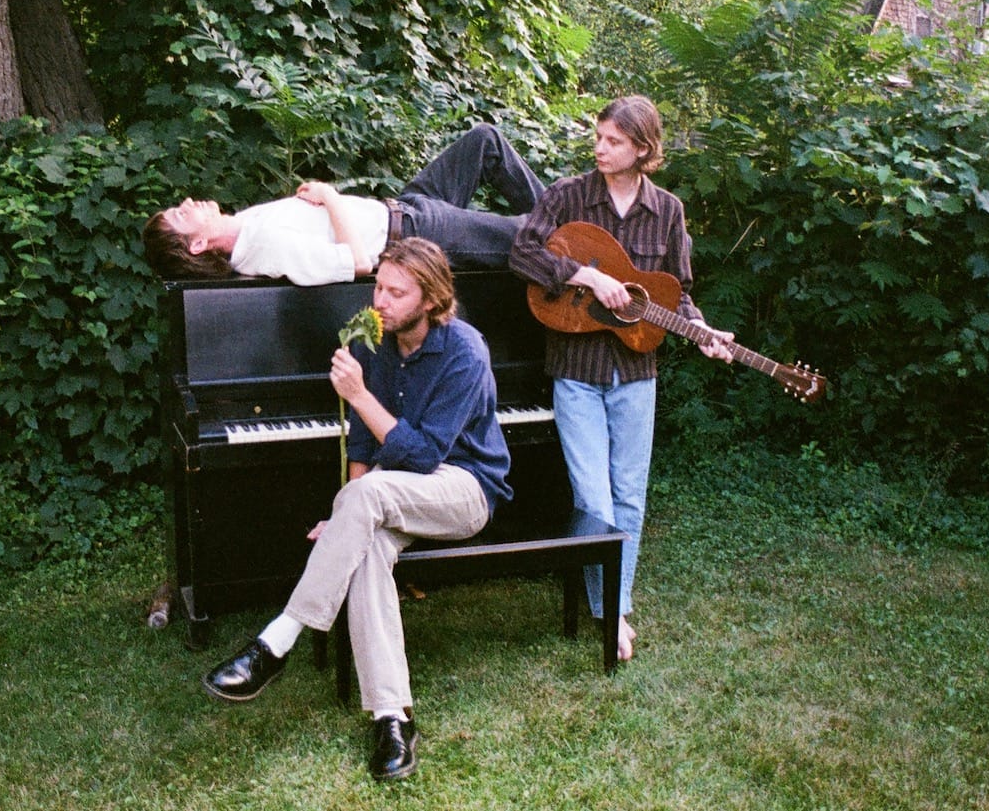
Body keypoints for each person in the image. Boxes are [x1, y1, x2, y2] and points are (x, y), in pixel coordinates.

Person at [201, 238, 512, 782]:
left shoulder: (465, 350)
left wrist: (360, 398)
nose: (381, 302)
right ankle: (392, 718)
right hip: (391, 494)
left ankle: (277, 641)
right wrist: (350, 515)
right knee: (364, 549)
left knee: (365, 501)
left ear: (432, 299)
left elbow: (422, 456)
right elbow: (365, 449)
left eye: (397, 293)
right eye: (378, 288)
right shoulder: (375, 341)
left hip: (463, 490)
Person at [508, 96, 734, 662]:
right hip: (577, 370)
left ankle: (616, 605)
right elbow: (522, 252)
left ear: (642, 149)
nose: (599, 147)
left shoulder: (669, 211)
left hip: (636, 370)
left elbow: (676, 290)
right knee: (593, 497)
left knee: (629, 497)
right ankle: (609, 611)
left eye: (612, 140)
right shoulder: (567, 195)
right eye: (599, 136)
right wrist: (583, 273)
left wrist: (702, 331)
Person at [142, 123, 545, 285]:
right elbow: (357, 263)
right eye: (181, 214)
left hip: (408, 205)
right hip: (414, 234)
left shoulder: (243, 227)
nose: (189, 202)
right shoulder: (263, 247)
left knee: (484, 141)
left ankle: (570, 219)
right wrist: (331, 198)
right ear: (196, 245)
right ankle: (585, 235)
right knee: (537, 237)